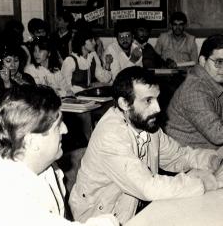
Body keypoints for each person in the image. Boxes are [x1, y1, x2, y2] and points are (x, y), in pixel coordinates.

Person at [69, 66, 222, 225]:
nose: (157, 108)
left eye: (157, 99)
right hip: (102, 218)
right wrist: (205, 183)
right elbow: (148, 187)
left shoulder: (146, 124)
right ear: (124, 103)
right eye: (148, 100)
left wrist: (213, 160)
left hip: (133, 210)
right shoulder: (110, 136)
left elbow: (178, 156)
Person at [0, 84, 119, 226]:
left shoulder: (44, 164)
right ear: (32, 142)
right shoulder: (8, 197)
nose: (65, 130)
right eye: (58, 126)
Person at [165, 34, 223, 150]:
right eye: (219, 62)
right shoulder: (195, 91)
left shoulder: (210, 80)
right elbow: (218, 135)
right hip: (186, 157)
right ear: (202, 60)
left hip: (204, 151)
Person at [61, 28, 112, 94]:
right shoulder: (70, 61)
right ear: (82, 42)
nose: (94, 43)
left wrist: (108, 64)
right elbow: (65, 88)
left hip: (89, 96)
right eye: (91, 40)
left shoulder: (93, 55)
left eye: (94, 39)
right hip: (75, 99)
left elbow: (104, 79)